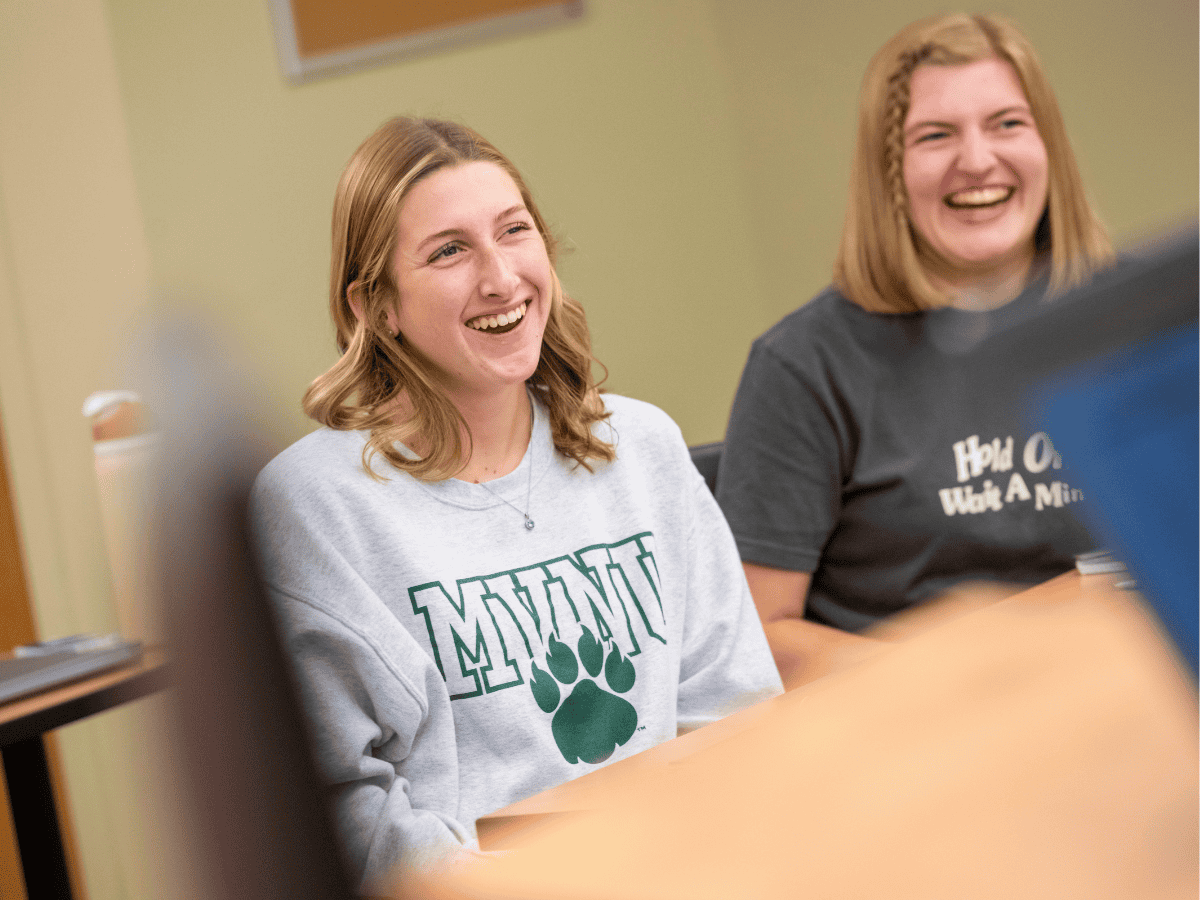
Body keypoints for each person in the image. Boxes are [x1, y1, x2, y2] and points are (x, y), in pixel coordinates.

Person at [249, 117, 781, 888]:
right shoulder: (315, 508)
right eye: (449, 251)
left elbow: (735, 707)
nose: (500, 278)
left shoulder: (642, 445)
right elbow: (338, 800)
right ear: (374, 307)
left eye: (514, 231)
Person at [716, 14, 1114, 689]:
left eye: (1007, 123)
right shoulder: (804, 365)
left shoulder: (1135, 318)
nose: (978, 160)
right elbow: (761, 634)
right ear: (889, 174)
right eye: (935, 136)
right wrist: (958, 683)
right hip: (924, 741)